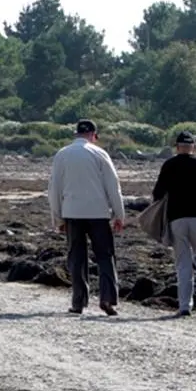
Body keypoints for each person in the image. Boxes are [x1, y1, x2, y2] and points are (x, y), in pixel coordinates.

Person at [47, 119, 125, 316]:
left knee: (77, 258)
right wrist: (119, 214)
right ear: (93, 135)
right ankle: (107, 299)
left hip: (72, 212)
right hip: (98, 212)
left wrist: (58, 218)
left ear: (76, 134)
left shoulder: (62, 154)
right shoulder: (100, 154)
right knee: (105, 256)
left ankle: (78, 301)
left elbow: (54, 188)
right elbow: (113, 187)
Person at [151, 131, 196, 316]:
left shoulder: (169, 165)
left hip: (177, 219)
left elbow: (157, 193)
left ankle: (184, 306)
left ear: (177, 146)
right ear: (193, 146)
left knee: (183, 263)